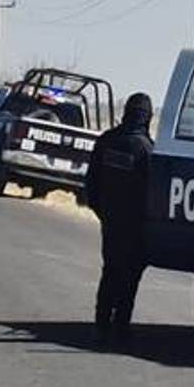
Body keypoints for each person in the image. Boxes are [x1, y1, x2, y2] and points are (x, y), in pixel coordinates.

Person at [86, 92, 154, 345]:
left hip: (110, 220)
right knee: (130, 275)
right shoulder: (146, 149)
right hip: (135, 224)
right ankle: (121, 324)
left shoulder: (106, 141)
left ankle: (102, 322)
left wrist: (102, 212)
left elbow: (91, 184)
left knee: (111, 269)